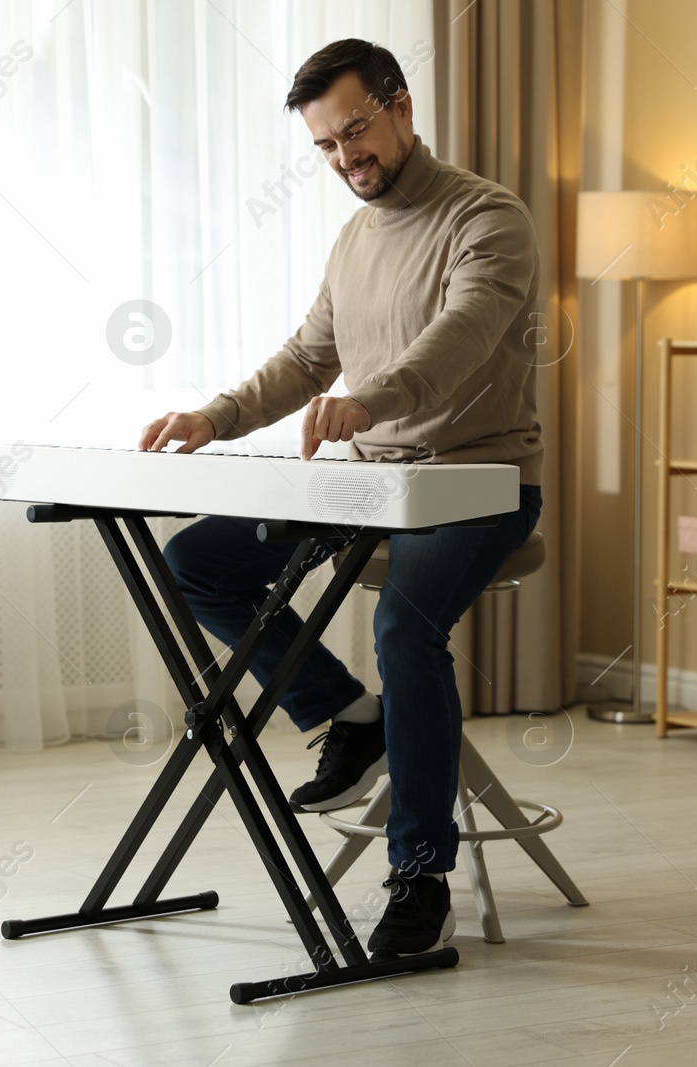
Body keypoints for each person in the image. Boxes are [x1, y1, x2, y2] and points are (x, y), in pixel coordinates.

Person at [138, 38, 543, 959]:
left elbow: (463, 337)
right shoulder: (355, 238)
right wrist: (218, 414)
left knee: (406, 625)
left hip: (480, 483)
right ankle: (349, 715)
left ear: (400, 106)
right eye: (324, 146)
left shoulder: (490, 218)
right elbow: (308, 356)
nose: (343, 159)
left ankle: (419, 874)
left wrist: (374, 398)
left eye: (354, 133)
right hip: (369, 481)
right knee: (195, 560)